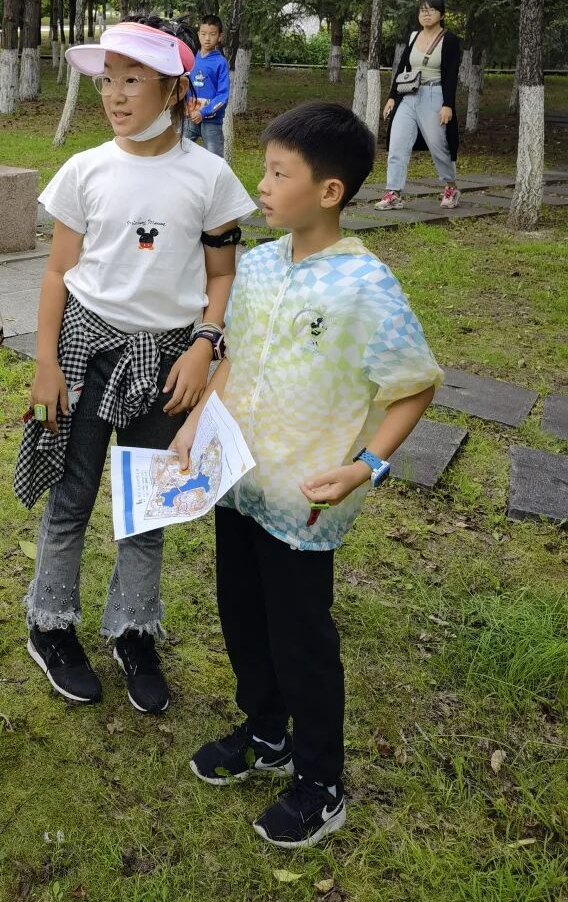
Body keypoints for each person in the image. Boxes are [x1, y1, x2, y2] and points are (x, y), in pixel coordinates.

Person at [173, 101, 442, 848]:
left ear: (329, 191)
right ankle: (266, 732)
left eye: (278, 173)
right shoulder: (258, 268)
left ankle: (321, 782)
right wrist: (195, 426)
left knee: (302, 639)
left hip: (305, 500)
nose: (261, 185)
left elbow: (414, 384)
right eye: (264, 169)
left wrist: (366, 466)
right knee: (242, 615)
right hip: (239, 484)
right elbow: (231, 362)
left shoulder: (365, 286)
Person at [17, 16, 257, 715]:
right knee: (71, 495)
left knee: (147, 504)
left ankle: (133, 632)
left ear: (175, 89)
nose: (115, 95)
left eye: (132, 80)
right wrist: (46, 364)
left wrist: (204, 346)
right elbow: (58, 273)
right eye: (107, 81)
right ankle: (50, 624)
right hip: (85, 353)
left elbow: (221, 275)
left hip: (170, 360)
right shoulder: (85, 170)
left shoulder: (209, 177)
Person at [377, 0, 461, 210]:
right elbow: (402, 67)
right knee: (397, 144)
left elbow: (451, 75)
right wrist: (392, 97)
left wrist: (448, 104)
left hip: (435, 94)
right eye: (423, 10)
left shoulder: (449, 40)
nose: (426, 14)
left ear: (442, 15)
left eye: (431, 10)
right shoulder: (414, 36)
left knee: (438, 145)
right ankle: (393, 192)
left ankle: (451, 187)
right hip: (409, 95)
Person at [183, 14, 230, 157]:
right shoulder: (190, 58)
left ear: (220, 37)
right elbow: (183, 86)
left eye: (212, 34)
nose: (207, 38)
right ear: (198, 34)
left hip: (212, 122)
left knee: (214, 160)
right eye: (203, 34)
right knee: (177, 152)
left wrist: (203, 112)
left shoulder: (220, 63)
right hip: (189, 118)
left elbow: (223, 95)